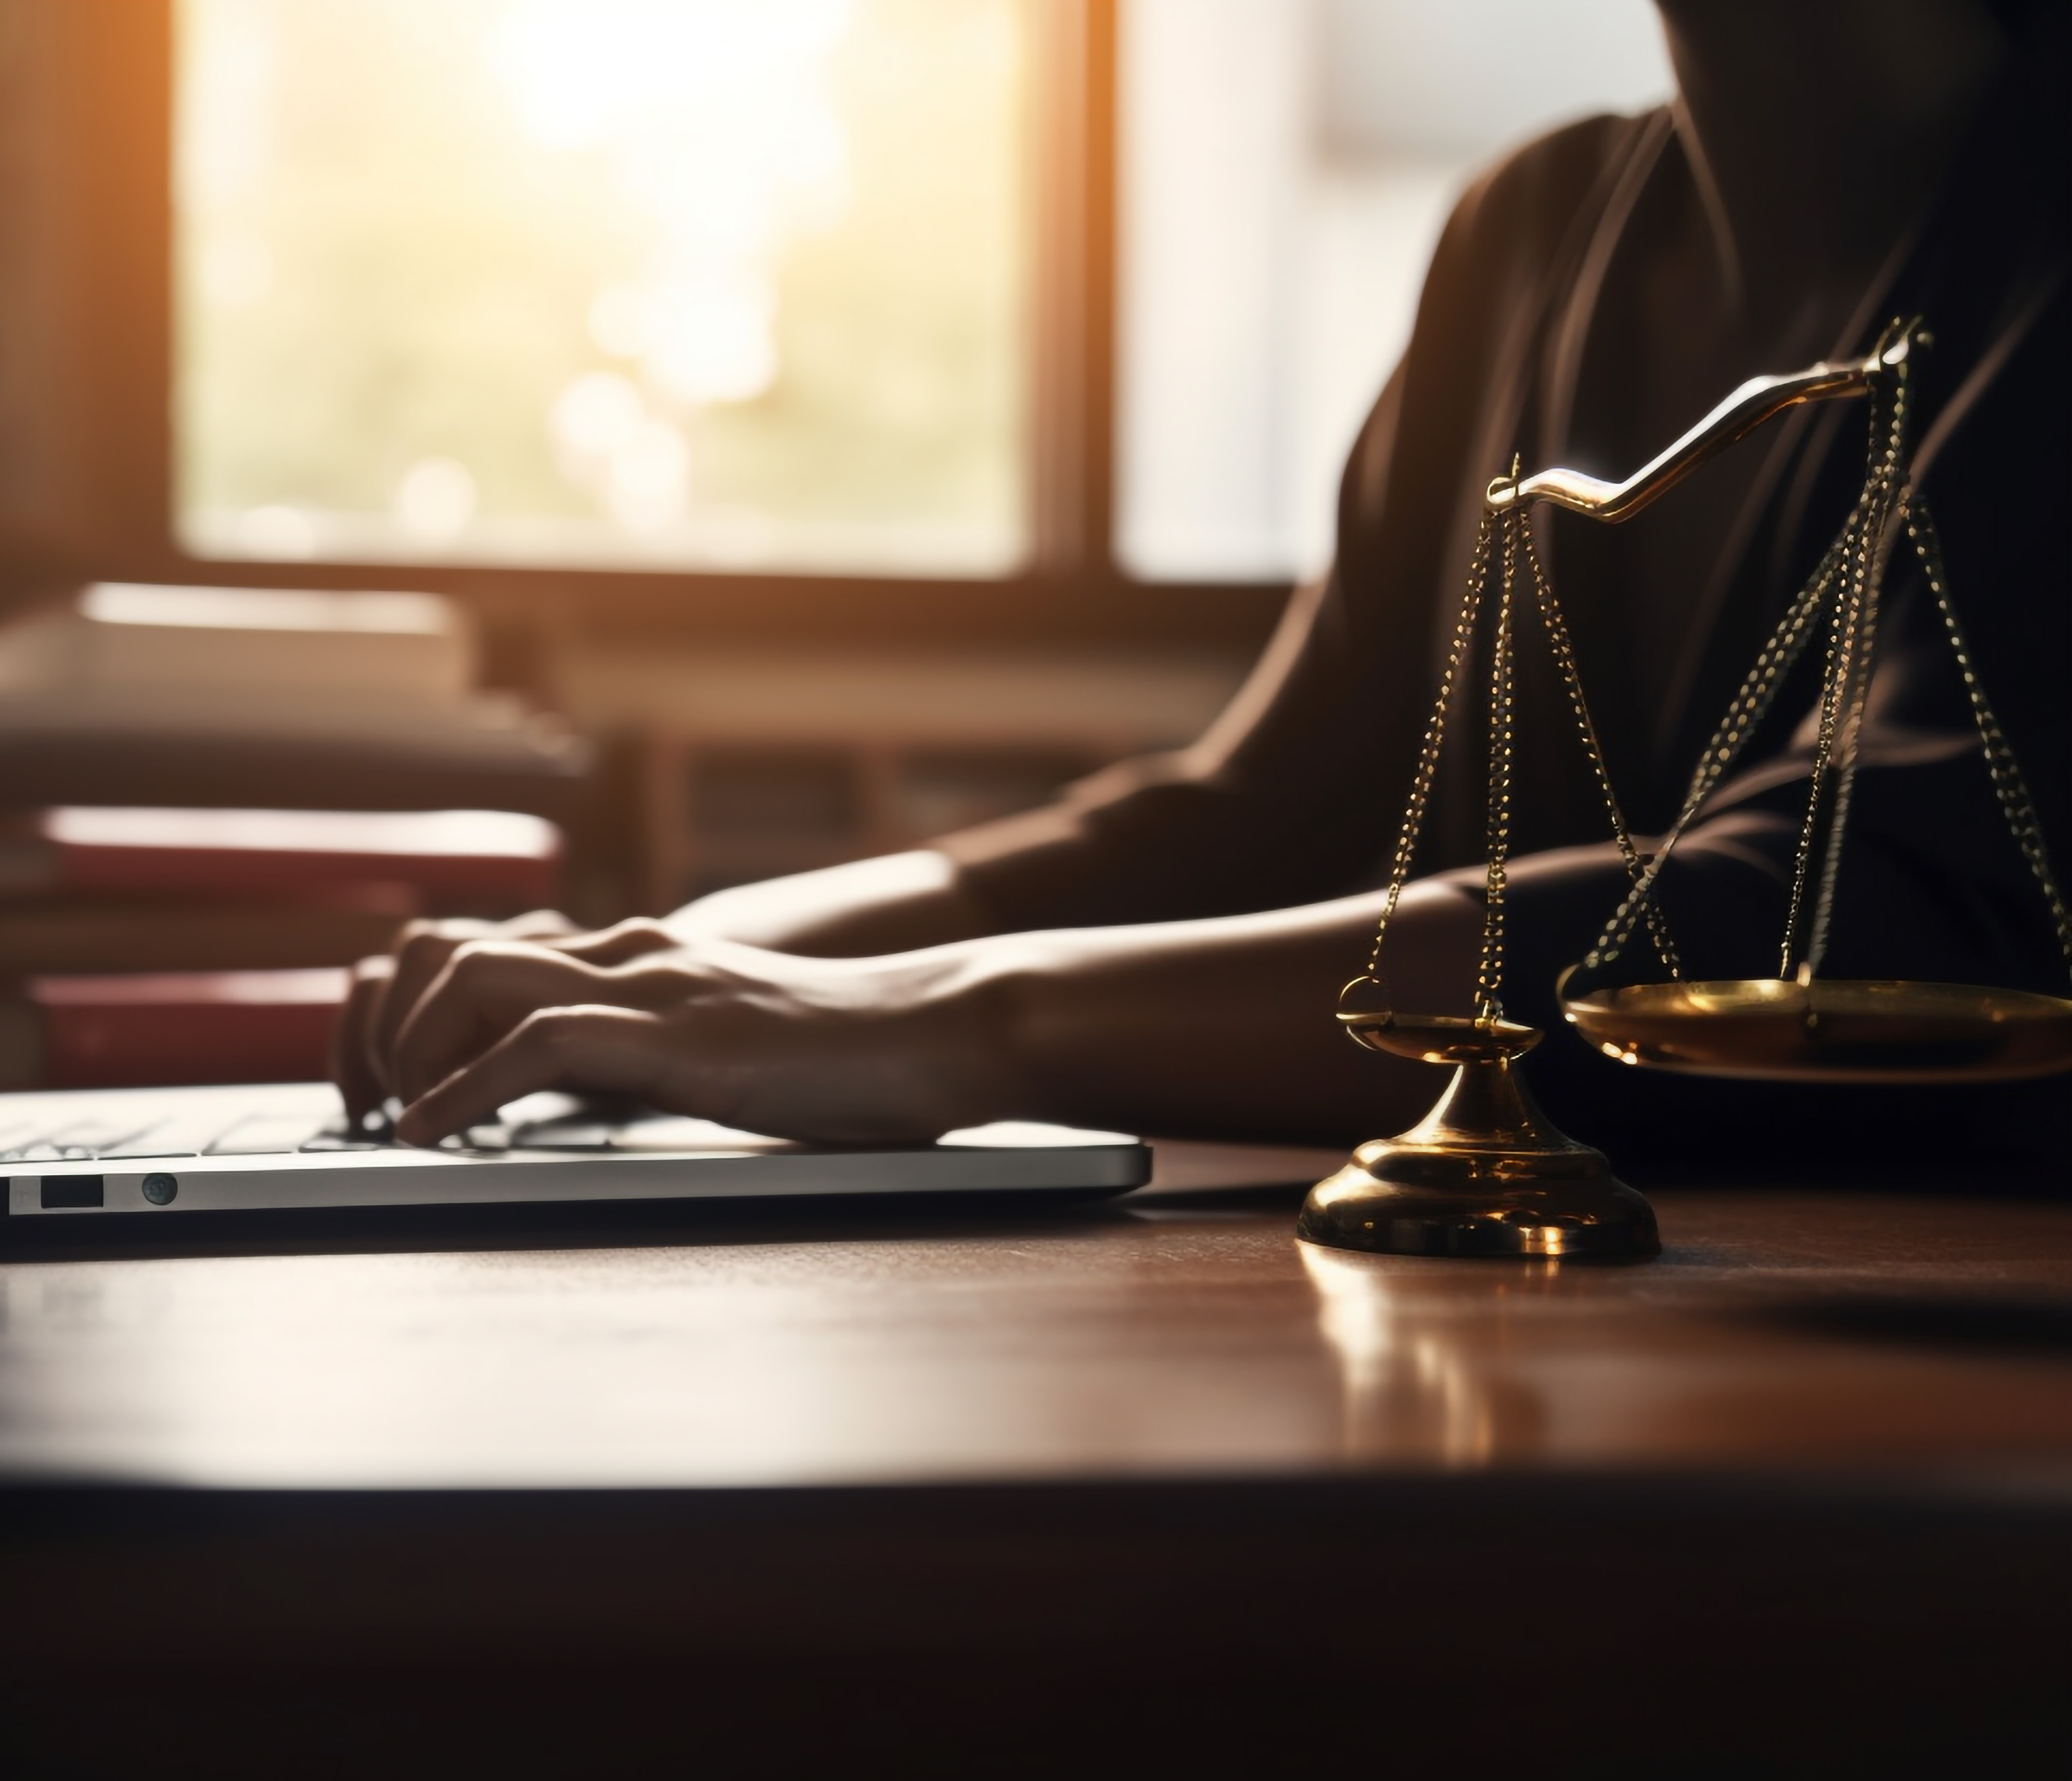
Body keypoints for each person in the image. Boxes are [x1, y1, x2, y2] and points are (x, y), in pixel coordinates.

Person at [341, 0, 2072, 1165]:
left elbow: (1875, 900)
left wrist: (952, 1023)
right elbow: (1256, 808)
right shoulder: (1536, 226)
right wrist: (685, 957)